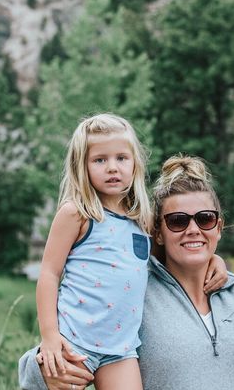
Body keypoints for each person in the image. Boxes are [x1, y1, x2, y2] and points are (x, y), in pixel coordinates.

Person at [19, 156, 234, 390]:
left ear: (218, 227)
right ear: (158, 232)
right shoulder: (135, 293)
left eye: (205, 219)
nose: (193, 230)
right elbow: (72, 345)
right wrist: (43, 367)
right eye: (178, 221)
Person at [35, 113, 153, 389]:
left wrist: (215, 263)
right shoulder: (77, 213)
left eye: (121, 158)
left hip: (121, 350)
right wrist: (50, 337)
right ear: (83, 166)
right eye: (100, 160)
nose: (112, 167)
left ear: (135, 163)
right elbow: (49, 274)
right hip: (74, 340)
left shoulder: (143, 219)